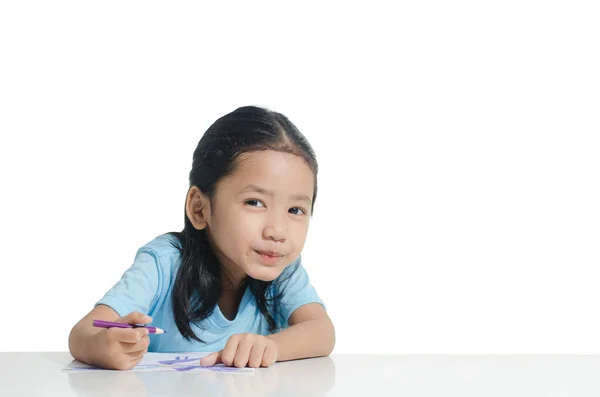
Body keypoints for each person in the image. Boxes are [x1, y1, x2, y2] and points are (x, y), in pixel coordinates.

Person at [68, 106, 335, 370]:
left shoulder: (284, 271)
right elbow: (82, 333)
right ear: (200, 207)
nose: (277, 231)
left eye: (295, 210)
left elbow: (322, 331)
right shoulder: (164, 263)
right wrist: (104, 346)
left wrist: (272, 346)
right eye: (255, 202)